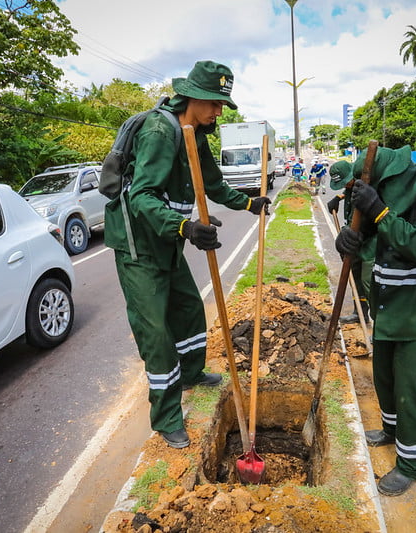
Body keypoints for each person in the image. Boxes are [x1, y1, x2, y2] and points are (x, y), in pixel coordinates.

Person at [103, 61, 271, 449]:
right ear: (192, 96)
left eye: (222, 105)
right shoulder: (161, 130)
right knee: (157, 332)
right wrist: (187, 227)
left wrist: (250, 204)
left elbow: (212, 183)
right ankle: (166, 418)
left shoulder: (196, 134)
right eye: (214, 103)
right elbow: (142, 196)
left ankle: (193, 373)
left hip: (167, 241)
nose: (218, 112)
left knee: (190, 309)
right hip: (138, 246)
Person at [334, 145, 416, 496]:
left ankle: (413, 461)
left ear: (389, 180)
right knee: (386, 379)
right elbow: (372, 242)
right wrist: (349, 240)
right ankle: (391, 431)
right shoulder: (385, 202)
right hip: (389, 306)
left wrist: (378, 211)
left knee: (410, 389)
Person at [326, 161, 373, 325]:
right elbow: (348, 191)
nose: (345, 185)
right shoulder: (350, 187)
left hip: (369, 239)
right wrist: (338, 197)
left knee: (369, 280)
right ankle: (359, 312)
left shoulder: (366, 184)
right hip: (354, 237)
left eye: (346, 181)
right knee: (354, 274)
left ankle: (380, 323)